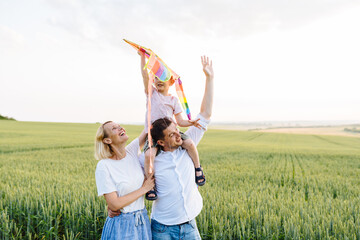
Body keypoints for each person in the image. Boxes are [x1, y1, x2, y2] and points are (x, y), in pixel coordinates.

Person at [144, 55, 214, 239]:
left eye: (177, 130)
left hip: (190, 225)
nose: (178, 136)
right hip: (162, 229)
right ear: (160, 141)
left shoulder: (185, 145)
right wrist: (115, 207)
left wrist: (209, 78)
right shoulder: (150, 156)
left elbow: (205, 113)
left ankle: (200, 170)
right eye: (172, 134)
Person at [138, 49, 206, 201]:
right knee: (149, 155)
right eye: (155, 78)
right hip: (154, 135)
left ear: (171, 82)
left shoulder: (174, 100)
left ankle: (198, 168)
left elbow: (180, 121)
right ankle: (150, 185)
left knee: (189, 143)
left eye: (163, 78)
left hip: (172, 131)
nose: (158, 80)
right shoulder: (152, 94)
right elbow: (144, 74)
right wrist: (143, 58)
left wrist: (191, 122)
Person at [94, 122, 155, 239]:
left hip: (142, 220)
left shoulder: (132, 151)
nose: (120, 128)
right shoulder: (104, 166)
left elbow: (149, 127)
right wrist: (144, 189)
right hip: (121, 225)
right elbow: (114, 204)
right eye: (114, 128)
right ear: (107, 140)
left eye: (119, 126)